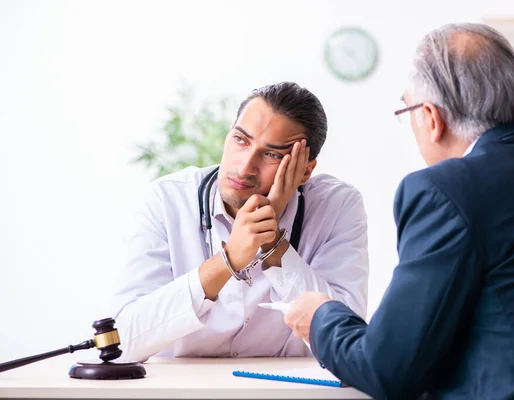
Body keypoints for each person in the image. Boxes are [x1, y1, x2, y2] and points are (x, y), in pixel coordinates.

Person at [284, 23, 514, 399]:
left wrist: (321, 317)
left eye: (407, 111)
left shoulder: (446, 190)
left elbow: (387, 369)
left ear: (431, 118)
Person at [112, 82, 369, 362]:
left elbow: (348, 339)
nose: (245, 166)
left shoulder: (336, 207)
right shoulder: (167, 200)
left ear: (305, 170)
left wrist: (273, 243)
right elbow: (123, 341)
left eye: (272, 154)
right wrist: (229, 259)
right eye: (241, 140)